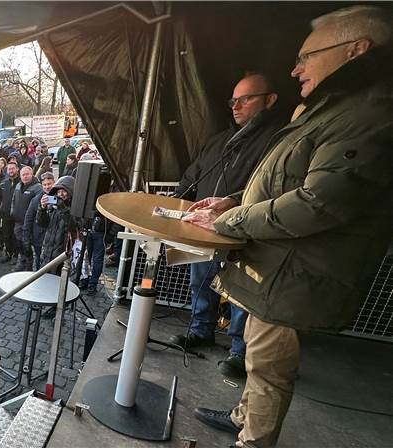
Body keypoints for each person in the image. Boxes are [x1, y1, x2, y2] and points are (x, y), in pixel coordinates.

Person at [185, 7, 393, 448]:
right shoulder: (332, 110)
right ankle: (245, 416)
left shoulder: (367, 117)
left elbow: (317, 203)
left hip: (294, 274)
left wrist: (230, 219)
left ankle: (253, 439)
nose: (295, 68)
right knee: (261, 360)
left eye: (306, 56)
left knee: (268, 366)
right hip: (279, 265)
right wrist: (234, 200)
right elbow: (282, 183)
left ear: (355, 50)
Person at [168, 72, 286, 378]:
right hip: (203, 228)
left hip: (244, 231)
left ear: (270, 100)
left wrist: (232, 204)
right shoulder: (221, 140)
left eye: (245, 99)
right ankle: (200, 331)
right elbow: (193, 174)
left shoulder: (278, 141)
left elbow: (272, 189)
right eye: (233, 100)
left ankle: (239, 351)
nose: (236, 106)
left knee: (240, 292)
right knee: (200, 282)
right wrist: (174, 199)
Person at [11, 166, 43, 270]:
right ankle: (23, 260)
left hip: (31, 223)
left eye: (27, 174)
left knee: (28, 243)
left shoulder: (37, 187)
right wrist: (12, 211)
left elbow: (38, 205)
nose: (25, 177)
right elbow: (14, 200)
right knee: (19, 242)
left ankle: (29, 263)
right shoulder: (18, 185)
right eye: (23, 175)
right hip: (18, 221)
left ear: (32, 174)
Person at [24, 173, 55, 270]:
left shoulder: (60, 196)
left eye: (49, 184)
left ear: (54, 183)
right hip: (39, 238)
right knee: (39, 260)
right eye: (44, 185)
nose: (47, 187)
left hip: (55, 239)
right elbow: (28, 219)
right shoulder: (36, 199)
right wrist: (26, 238)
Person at [0, 162, 20, 264]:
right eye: (9, 169)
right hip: (5, 214)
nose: (11, 171)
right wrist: (1, 205)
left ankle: (15, 255)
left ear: (17, 169)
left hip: (17, 215)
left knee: (15, 236)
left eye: (13, 169)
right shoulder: (3, 183)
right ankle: (7, 253)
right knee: (6, 235)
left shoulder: (21, 183)